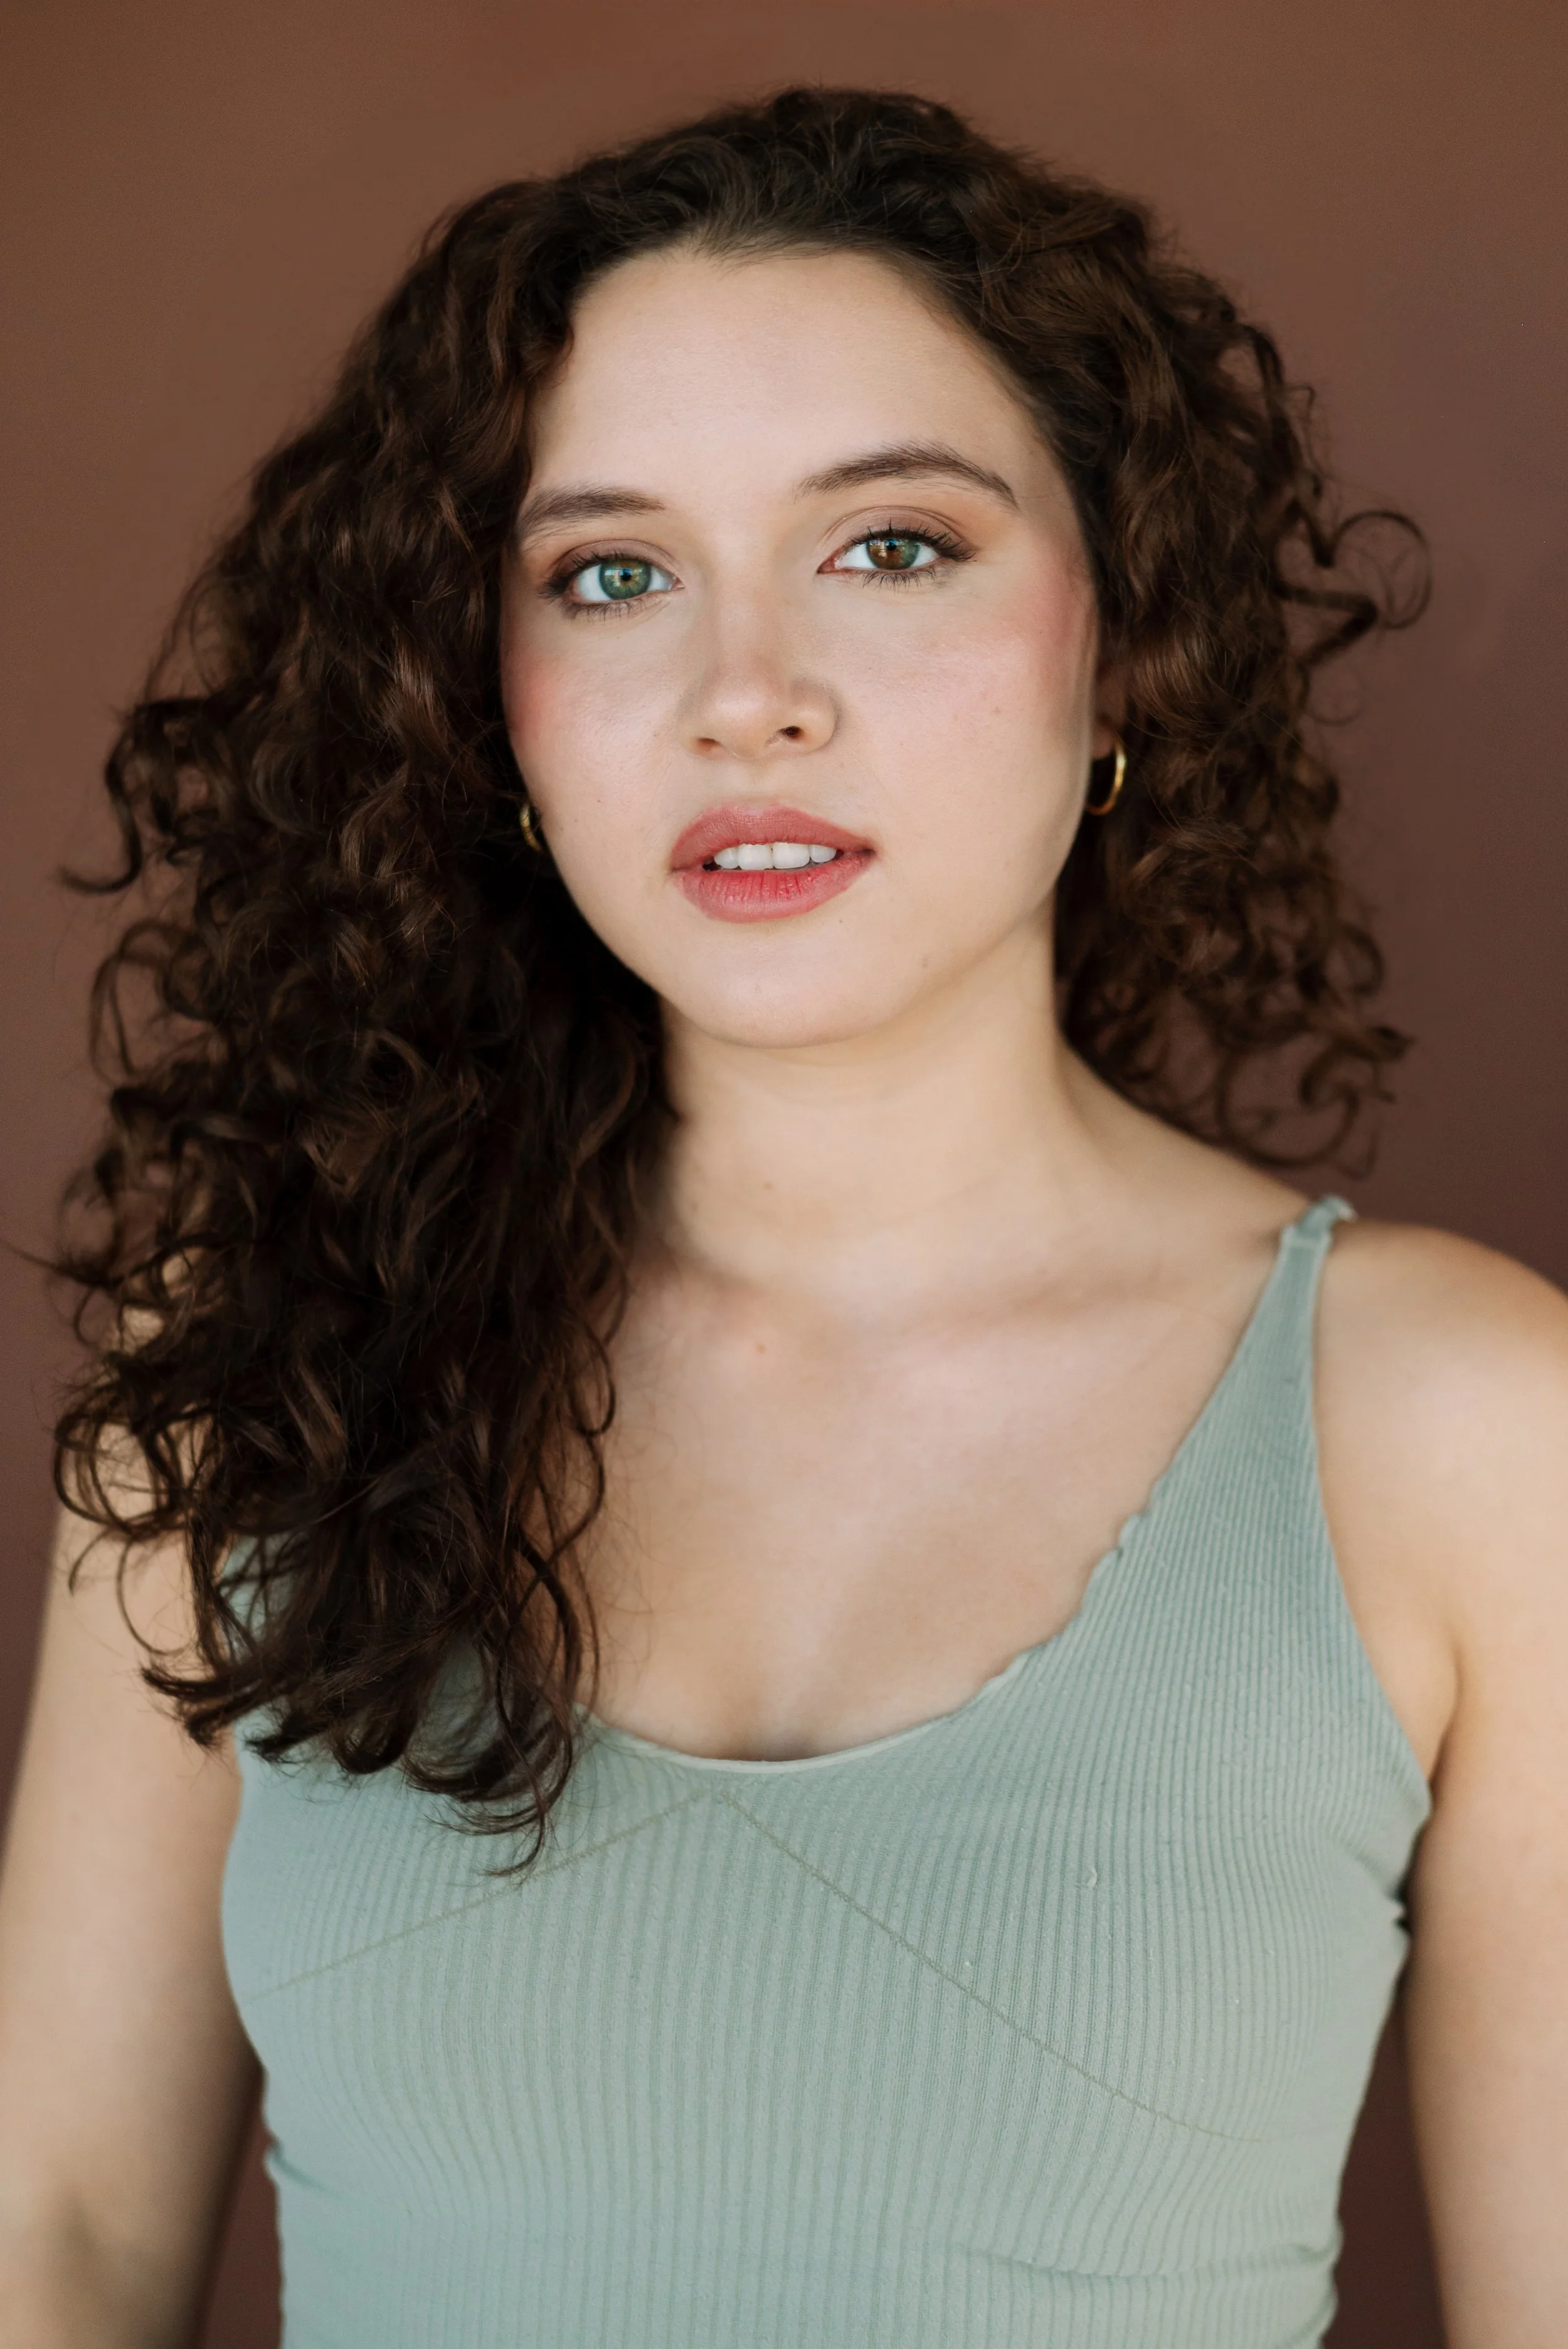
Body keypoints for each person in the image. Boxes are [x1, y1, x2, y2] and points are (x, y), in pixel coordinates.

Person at [1, 85, 1564, 2349]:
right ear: (491, 709)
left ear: (1118, 637)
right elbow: (53, 2237)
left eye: (893, 545)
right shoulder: (255, 1368)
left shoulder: (1462, 1430)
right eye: (610, 575)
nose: (748, 700)